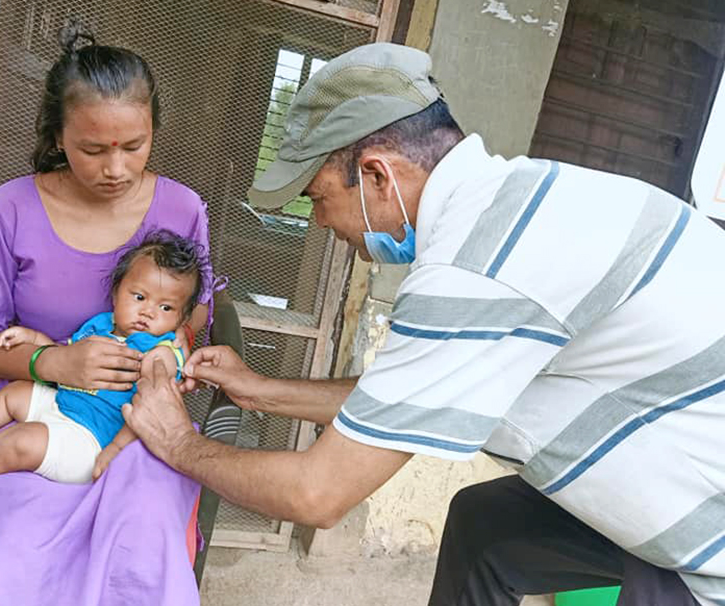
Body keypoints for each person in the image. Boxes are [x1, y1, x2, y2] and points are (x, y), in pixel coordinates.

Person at [123, 43, 724, 605]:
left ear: (378, 175)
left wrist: (178, 442)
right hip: (690, 467)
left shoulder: (475, 269)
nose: (322, 224)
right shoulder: (516, 202)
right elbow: (398, 401)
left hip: (711, 535)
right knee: (488, 529)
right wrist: (260, 390)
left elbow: (318, 493)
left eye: (318, 197)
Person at [0, 22, 213, 605]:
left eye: (134, 147)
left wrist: (164, 351)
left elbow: (198, 314)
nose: (116, 168)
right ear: (59, 137)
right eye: (93, 149)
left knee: (142, 539)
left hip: (137, 427)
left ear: (153, 131)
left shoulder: (183, 208)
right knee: (16, 542)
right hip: (29, 413)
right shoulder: (11, 206)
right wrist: (57, 362)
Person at [0, 232, 202, 483]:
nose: (148, 312)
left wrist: (114, 451)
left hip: (91, 440)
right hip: (64, 405)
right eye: (139, 297)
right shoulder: (101, 324)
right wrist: (33, 339)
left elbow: (148, 412)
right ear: (116, 293)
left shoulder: (160, 353)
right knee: (15, 393)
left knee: (21, 442)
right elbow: (68, 358)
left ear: (181, 318)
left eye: (166, 308)